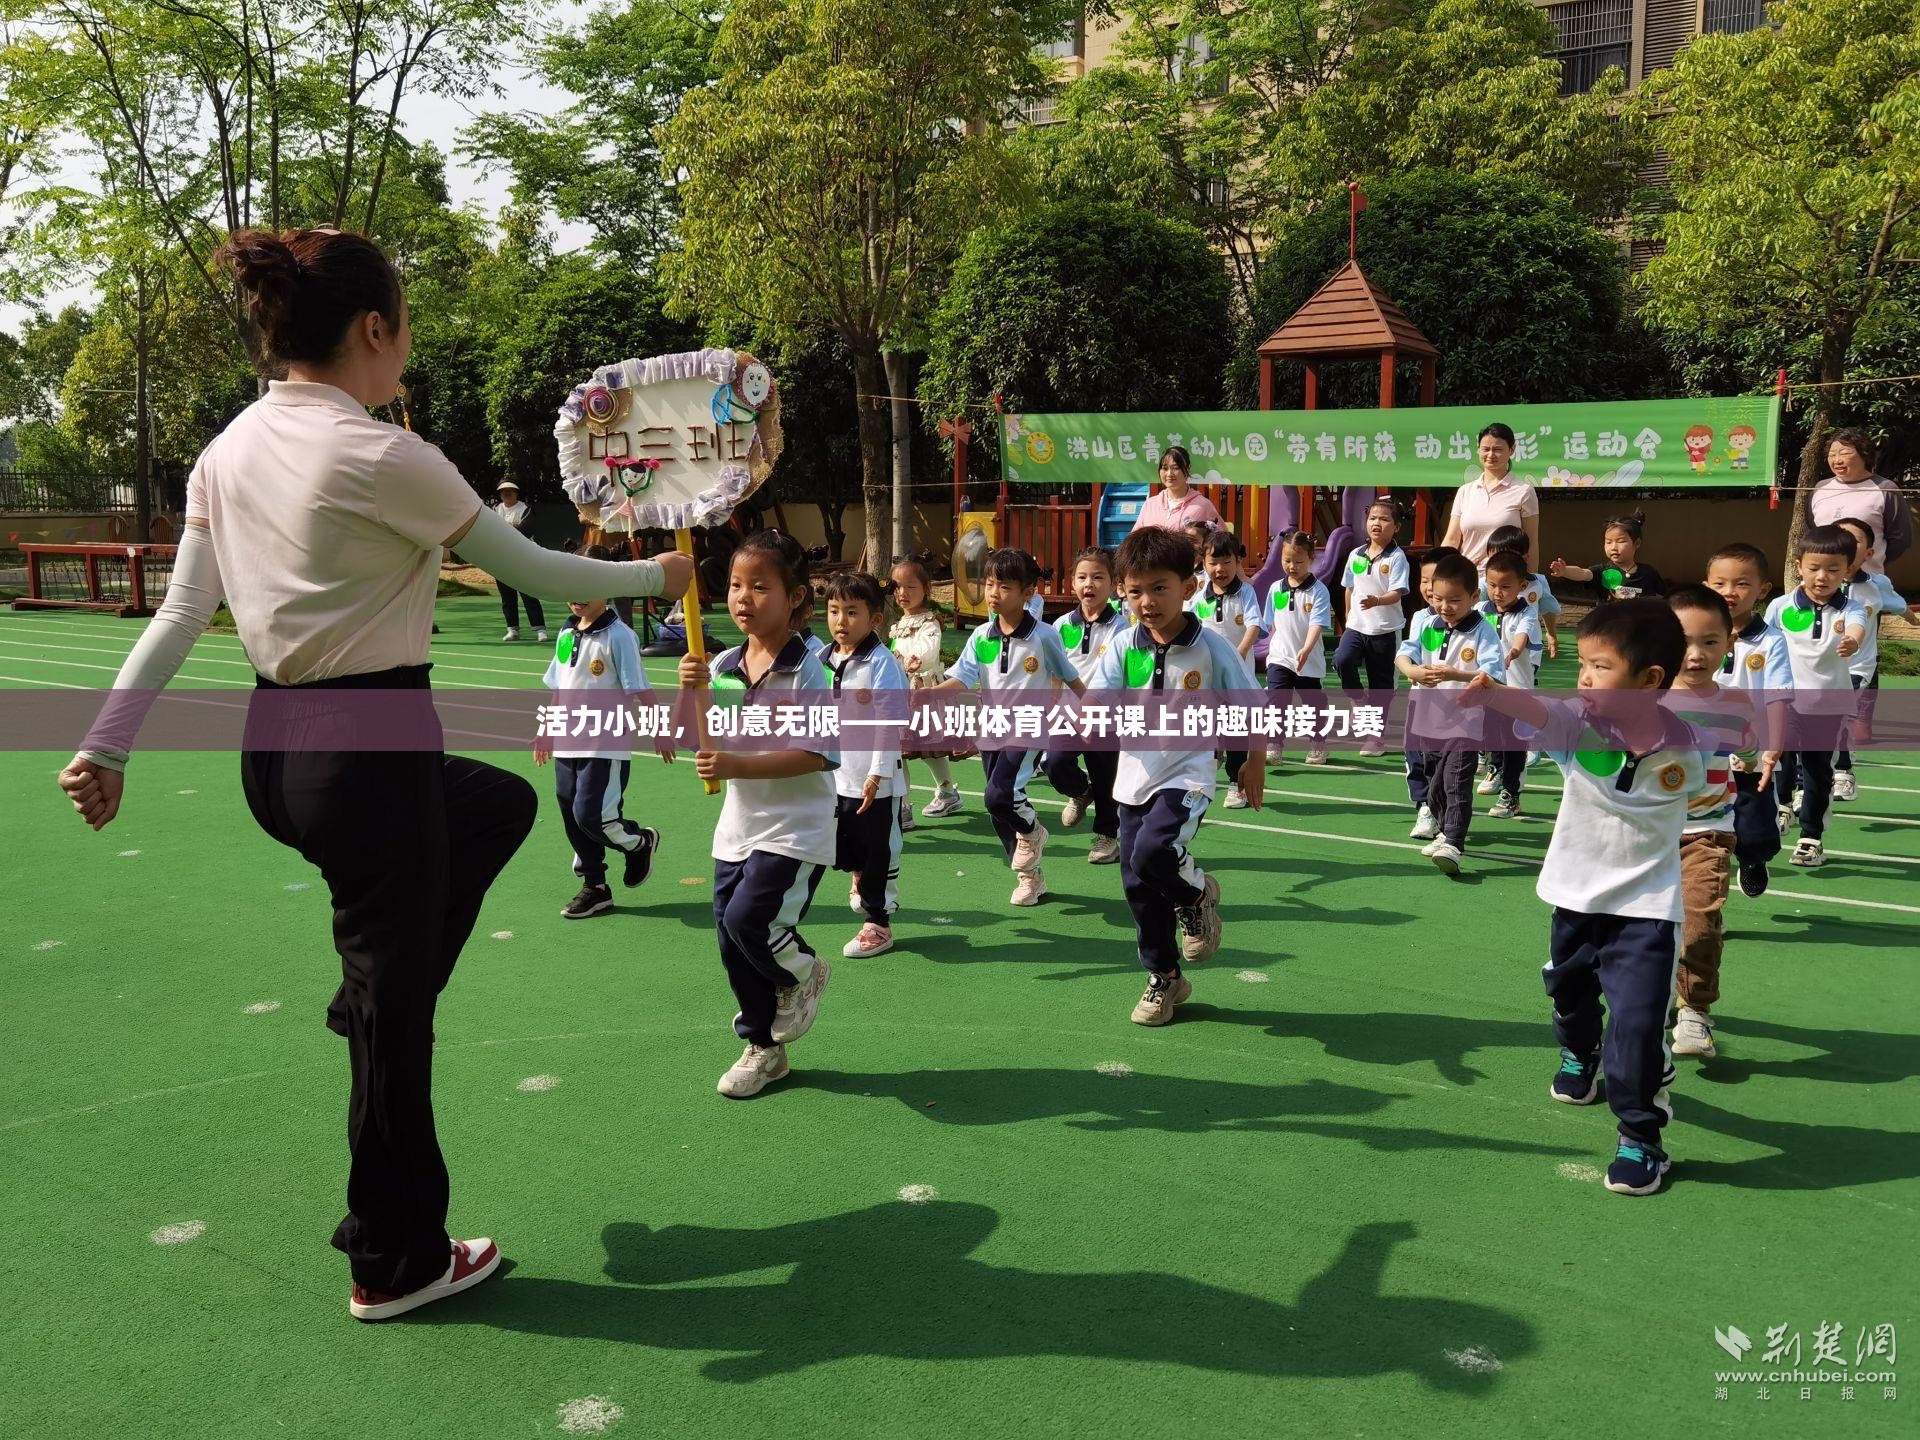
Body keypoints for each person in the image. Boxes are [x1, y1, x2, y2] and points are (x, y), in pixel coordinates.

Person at [57, 226, 691, 1321]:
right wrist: (659, 569)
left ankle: (367, 1004)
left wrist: (106, 741)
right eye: (404, 328)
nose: (408, 349)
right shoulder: (382, 453)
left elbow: (179, 612)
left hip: (278, 755)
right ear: (370, 328)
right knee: (399, 1030)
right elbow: (528, 565)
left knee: (494, 804)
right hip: (368, 756)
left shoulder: (231, 448)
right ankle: (394, 1259)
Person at [1463, 600, 1711, 1196]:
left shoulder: (1689, 746)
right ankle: (1581, 1056)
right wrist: (1493, 691)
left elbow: (1707, 799)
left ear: (1649, 681)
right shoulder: (1578, 725)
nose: (1584, 678)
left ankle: (1640, 1138)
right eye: (1582, 665)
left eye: (1600, 667)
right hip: (1574, 899)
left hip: (1646, 911)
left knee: (1639, 1024)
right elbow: (1536, 708)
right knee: (1571, 998)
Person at [678, 531, 838, 1099]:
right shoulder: (723, 662)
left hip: (797, 829)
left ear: (795, 597)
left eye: (761, 587)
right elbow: (700, 734)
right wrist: (689, 694)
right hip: (739, 828)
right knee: (729, 938)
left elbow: (816, 754)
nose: (743, 598)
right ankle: (764, 1048)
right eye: (735, 586)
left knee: (752, 922)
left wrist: (734, 764)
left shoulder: (811, 670)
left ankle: (803, 971)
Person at [1089, 525, 1264, 1026]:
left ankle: (1196, 894)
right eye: (1135, 590)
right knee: (1137, 884)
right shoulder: (1124, 645)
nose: (1147, 601)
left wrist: (1254, 762)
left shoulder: (1211, 648)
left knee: (1153, 852)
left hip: (1187, 775)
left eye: (1159, 587)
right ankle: (1165, 977)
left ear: (1188, 588)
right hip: (1133, 778)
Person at [933, 548, 1083, 906]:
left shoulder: (1044, 636)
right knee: (998, 808)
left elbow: (1071, 679)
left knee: (1000, 796)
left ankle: (1034, 830)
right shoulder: (981, 636)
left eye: (1004, 586)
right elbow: (962, 679)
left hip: (1029, 727)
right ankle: (1030, 878)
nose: (993, 593)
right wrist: (927, 696)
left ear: (1027, 591)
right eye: (988, 584)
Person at [532, 550, 669, 920]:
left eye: (587, 584)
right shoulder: (565, 632)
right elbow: (559, 687)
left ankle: (639, 842)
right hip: (567, 742)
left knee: (592, 815)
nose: (576, 594)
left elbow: (640, 687)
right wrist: (546, 731)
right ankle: (595, 887)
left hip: (604, 745)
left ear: (608, 587)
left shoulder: (619, 636)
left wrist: (659, 729)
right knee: (570, 813)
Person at [1662, 586, 1763, 1063]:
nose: (1696, 654)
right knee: (1649, 928)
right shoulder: (1647, 699)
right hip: (1650, 834)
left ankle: (1695, 1010)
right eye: (1683, 641)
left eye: (1710, 641)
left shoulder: (1736, 702)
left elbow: (1746, 748)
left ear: (1729, 643)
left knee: (1701, 921)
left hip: (1708, 831)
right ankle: (1653, 995)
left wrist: (1750, 758)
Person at [1394, 551, 1506, 874]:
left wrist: (1455, 674)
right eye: (1439, 599)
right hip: (1428, 722)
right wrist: (1412, 672)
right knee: (1435, 786)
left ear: (1475, 596)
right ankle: (1444, 831)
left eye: (1454, 600)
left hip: (1465, 724)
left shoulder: (1483, 631)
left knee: (1456, 782)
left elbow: (1492, 674)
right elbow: (1404, 655)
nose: (1445, 607)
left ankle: (1454, 843)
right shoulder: (1429, 624)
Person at [1766, 525, 1868, 868]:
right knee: (1780, 757)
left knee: (1816, 770)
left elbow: (1857, 626)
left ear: (1847, 570)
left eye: (1833, 569)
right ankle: (1782, 806)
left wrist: (1852, 640)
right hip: (1785, 701)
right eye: (1813, 568)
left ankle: (1811, 836)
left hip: (1827, 705)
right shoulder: (1780, 607)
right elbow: (1764, 644)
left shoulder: (1850, 609)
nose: (1822, 577)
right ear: (1799, 565)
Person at [823, 570, 910, 960]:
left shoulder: (881, 663)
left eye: (852, 613)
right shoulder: (822, 658)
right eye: (834, 611)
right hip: (836, 776)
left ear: (875, 619)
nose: (842, 622)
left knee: (880, 850)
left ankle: (879, 923)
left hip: (876, 779)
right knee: (847, 846)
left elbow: (891, 720)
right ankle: (860, 877)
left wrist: (878, 773)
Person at [1703, 542, 1789, 897]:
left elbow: (1779, 696)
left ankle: (1753, 859)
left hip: (1750, 756)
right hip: (1701, 753)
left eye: (1741, 584)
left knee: (1754, 831)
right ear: (1706, 585)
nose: (1729, 592)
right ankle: (1705, 904)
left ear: (1762, 590)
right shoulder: (1693, 633)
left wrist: (1774, 748)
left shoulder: (1770, 641)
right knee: (1700, 834)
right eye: (1719, 583)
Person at [1046, 546, 1128, 863]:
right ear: (1073, 582)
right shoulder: (1061, 625)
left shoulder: (1123, 628)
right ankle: (1080, 791)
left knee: (1106, 775)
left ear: (1113, 584)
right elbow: (1055, 671)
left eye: (1097, 577)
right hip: (1068, 714)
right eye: (1082, 577)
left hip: (1107, 717)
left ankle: (1107, 837)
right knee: (1054, 762)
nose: (1089, 584)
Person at [1832, 517, 1917, 800]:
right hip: (1820, 668)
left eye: (1854, 539)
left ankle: (1844, 772)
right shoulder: (1817, 584)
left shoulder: (1876, 585)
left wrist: (1912, 619)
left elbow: (1899, 604)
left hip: (1859, 666)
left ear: (1868, 553)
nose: (1845, 543)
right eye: (1839, 536)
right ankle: (1808, 778)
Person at [1190, 530, 1267, 805]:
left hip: (1236, 678)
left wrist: (1238, 654)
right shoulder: (1200, 596)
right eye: (1213, 562)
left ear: (1237, 562)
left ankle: (1237, 783)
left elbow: (1254, 625)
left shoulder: (1245, 592)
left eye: (1226, 562)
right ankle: (1201, 780)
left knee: (1236, 731)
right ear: (1204, 563)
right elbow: (1191, 627)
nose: (1219, 569)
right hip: (1207, 679)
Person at [1334, 497, 1410, 758]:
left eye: (1384, 519)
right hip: (1356, 626)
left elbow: (1398, 592)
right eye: (1372, 518)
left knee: (1382, 685)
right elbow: (1349, 588)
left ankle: (1376, 738)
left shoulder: (1398, 557)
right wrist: (1347, 618)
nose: (1377, 523)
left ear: (1396, 527)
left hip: (1386, 630)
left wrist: (1377, 600)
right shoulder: (1356, 554)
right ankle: (1357, 699)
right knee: (1342, 660)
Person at [889, 558, 965, 821]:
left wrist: (915, 660)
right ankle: (903, 806)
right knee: (899, 752)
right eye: (897, 587)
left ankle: (946, 791)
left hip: (924, 693)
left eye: (910, 586)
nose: (903, 593)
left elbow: (929, 653)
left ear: (926, 589)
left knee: (929, 749)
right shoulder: (898, 624)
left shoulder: (929, 622)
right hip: (901, 692)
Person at [1404, 546, 1462, 841]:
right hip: (1421, 701)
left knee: (1445, 767)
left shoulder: (1468, 619)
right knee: (1415, 755)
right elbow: (1408, 654)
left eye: (1435, 582)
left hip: (1454, 708)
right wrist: (1411, 671)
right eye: (1424, 581)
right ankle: (1424, 806)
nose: (1428, 588)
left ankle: (1446, 815)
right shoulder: (1420, 618)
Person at [1263, 529, 1335, 766]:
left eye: (1298, 561)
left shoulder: (1319, 591)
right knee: (1276, 700)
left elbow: (1317, 624)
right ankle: (1273, 745)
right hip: (1280, 657)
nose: (1292, 566)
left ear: (1312, 559)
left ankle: (1318, 742)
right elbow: (1270, 623)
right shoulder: (1275, 589)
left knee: (1313, 704)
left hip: (1308, 659)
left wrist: (1305, 649)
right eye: (1287, 560)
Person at [1801, 427, 1913, 575]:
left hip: (1868, 580)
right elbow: (1810, 531)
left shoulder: (1885, 488)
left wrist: (1872, 560)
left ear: (1864, 454)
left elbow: (1900, 538)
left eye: (1845, 453)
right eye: (1832, 455)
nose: (1837, 460)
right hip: (1824, 581)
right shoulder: (1820, 488)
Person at [1481, 548, 1542, 820]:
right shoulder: (1480, 610)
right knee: (1491, 732)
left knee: (1514, 742)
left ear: (1522, 585)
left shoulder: (1526, 613)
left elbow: (1521, 636)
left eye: (1505, 586)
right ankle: (1494, 768)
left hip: (1516, 687)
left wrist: (1514, 651)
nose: (1498, 592)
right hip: (1488, 686)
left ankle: (1511, 794)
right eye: (1492, 585)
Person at [1441, 422, 1539, 567]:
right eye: (1485, 449)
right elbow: (1452, 539)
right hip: (1468, 579)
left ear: (1512, 450)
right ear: (1478, 450)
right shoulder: (1465, 491)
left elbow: (1531, 542)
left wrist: (1532, 581)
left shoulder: (1524, 491)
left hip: (1507, 582)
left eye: (1498, 449)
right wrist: (1440, 572)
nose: (1490, 455)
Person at [1478, 523, 1560, 661]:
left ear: (1525, 558)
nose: (1501, 564)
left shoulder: (1537, 582)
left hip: (1529, 651)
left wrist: (1551, 634)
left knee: (1523, 680)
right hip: (1493, 647)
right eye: (1494, 558)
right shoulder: (1485, 585)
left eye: (1507, 558)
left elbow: (1548, 608)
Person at [1549, 510, 1665, 602]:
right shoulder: (1603, 571)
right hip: (1609, 626)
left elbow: (1665, 598)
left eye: (1620, 541)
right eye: (1608, 542)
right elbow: (1583, 573)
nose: (1613, 547)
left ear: (1637, 543)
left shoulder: (1649, 573)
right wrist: (1565, 571)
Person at [492, 482, 550, 644]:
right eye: (504, 492)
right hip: (501, 558)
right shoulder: (495, 510)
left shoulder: (526, 509)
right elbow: (490, 530)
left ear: (516, 493)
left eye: (510, 491)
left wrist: (503, 529)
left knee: (529, 593)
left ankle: (540, 629)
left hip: (523, 556)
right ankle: (512, 630)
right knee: (507, 596)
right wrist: (509, 528)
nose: (507, 494)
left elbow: (525, 530)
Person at [1131, 445, 1222, 533]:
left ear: (1188, 469)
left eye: (1175, 468)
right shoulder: (1150, 504)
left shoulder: (1203, 505)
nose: (1169, 474)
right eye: (1165, 468)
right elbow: (1134, 541)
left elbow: (1222, 541)